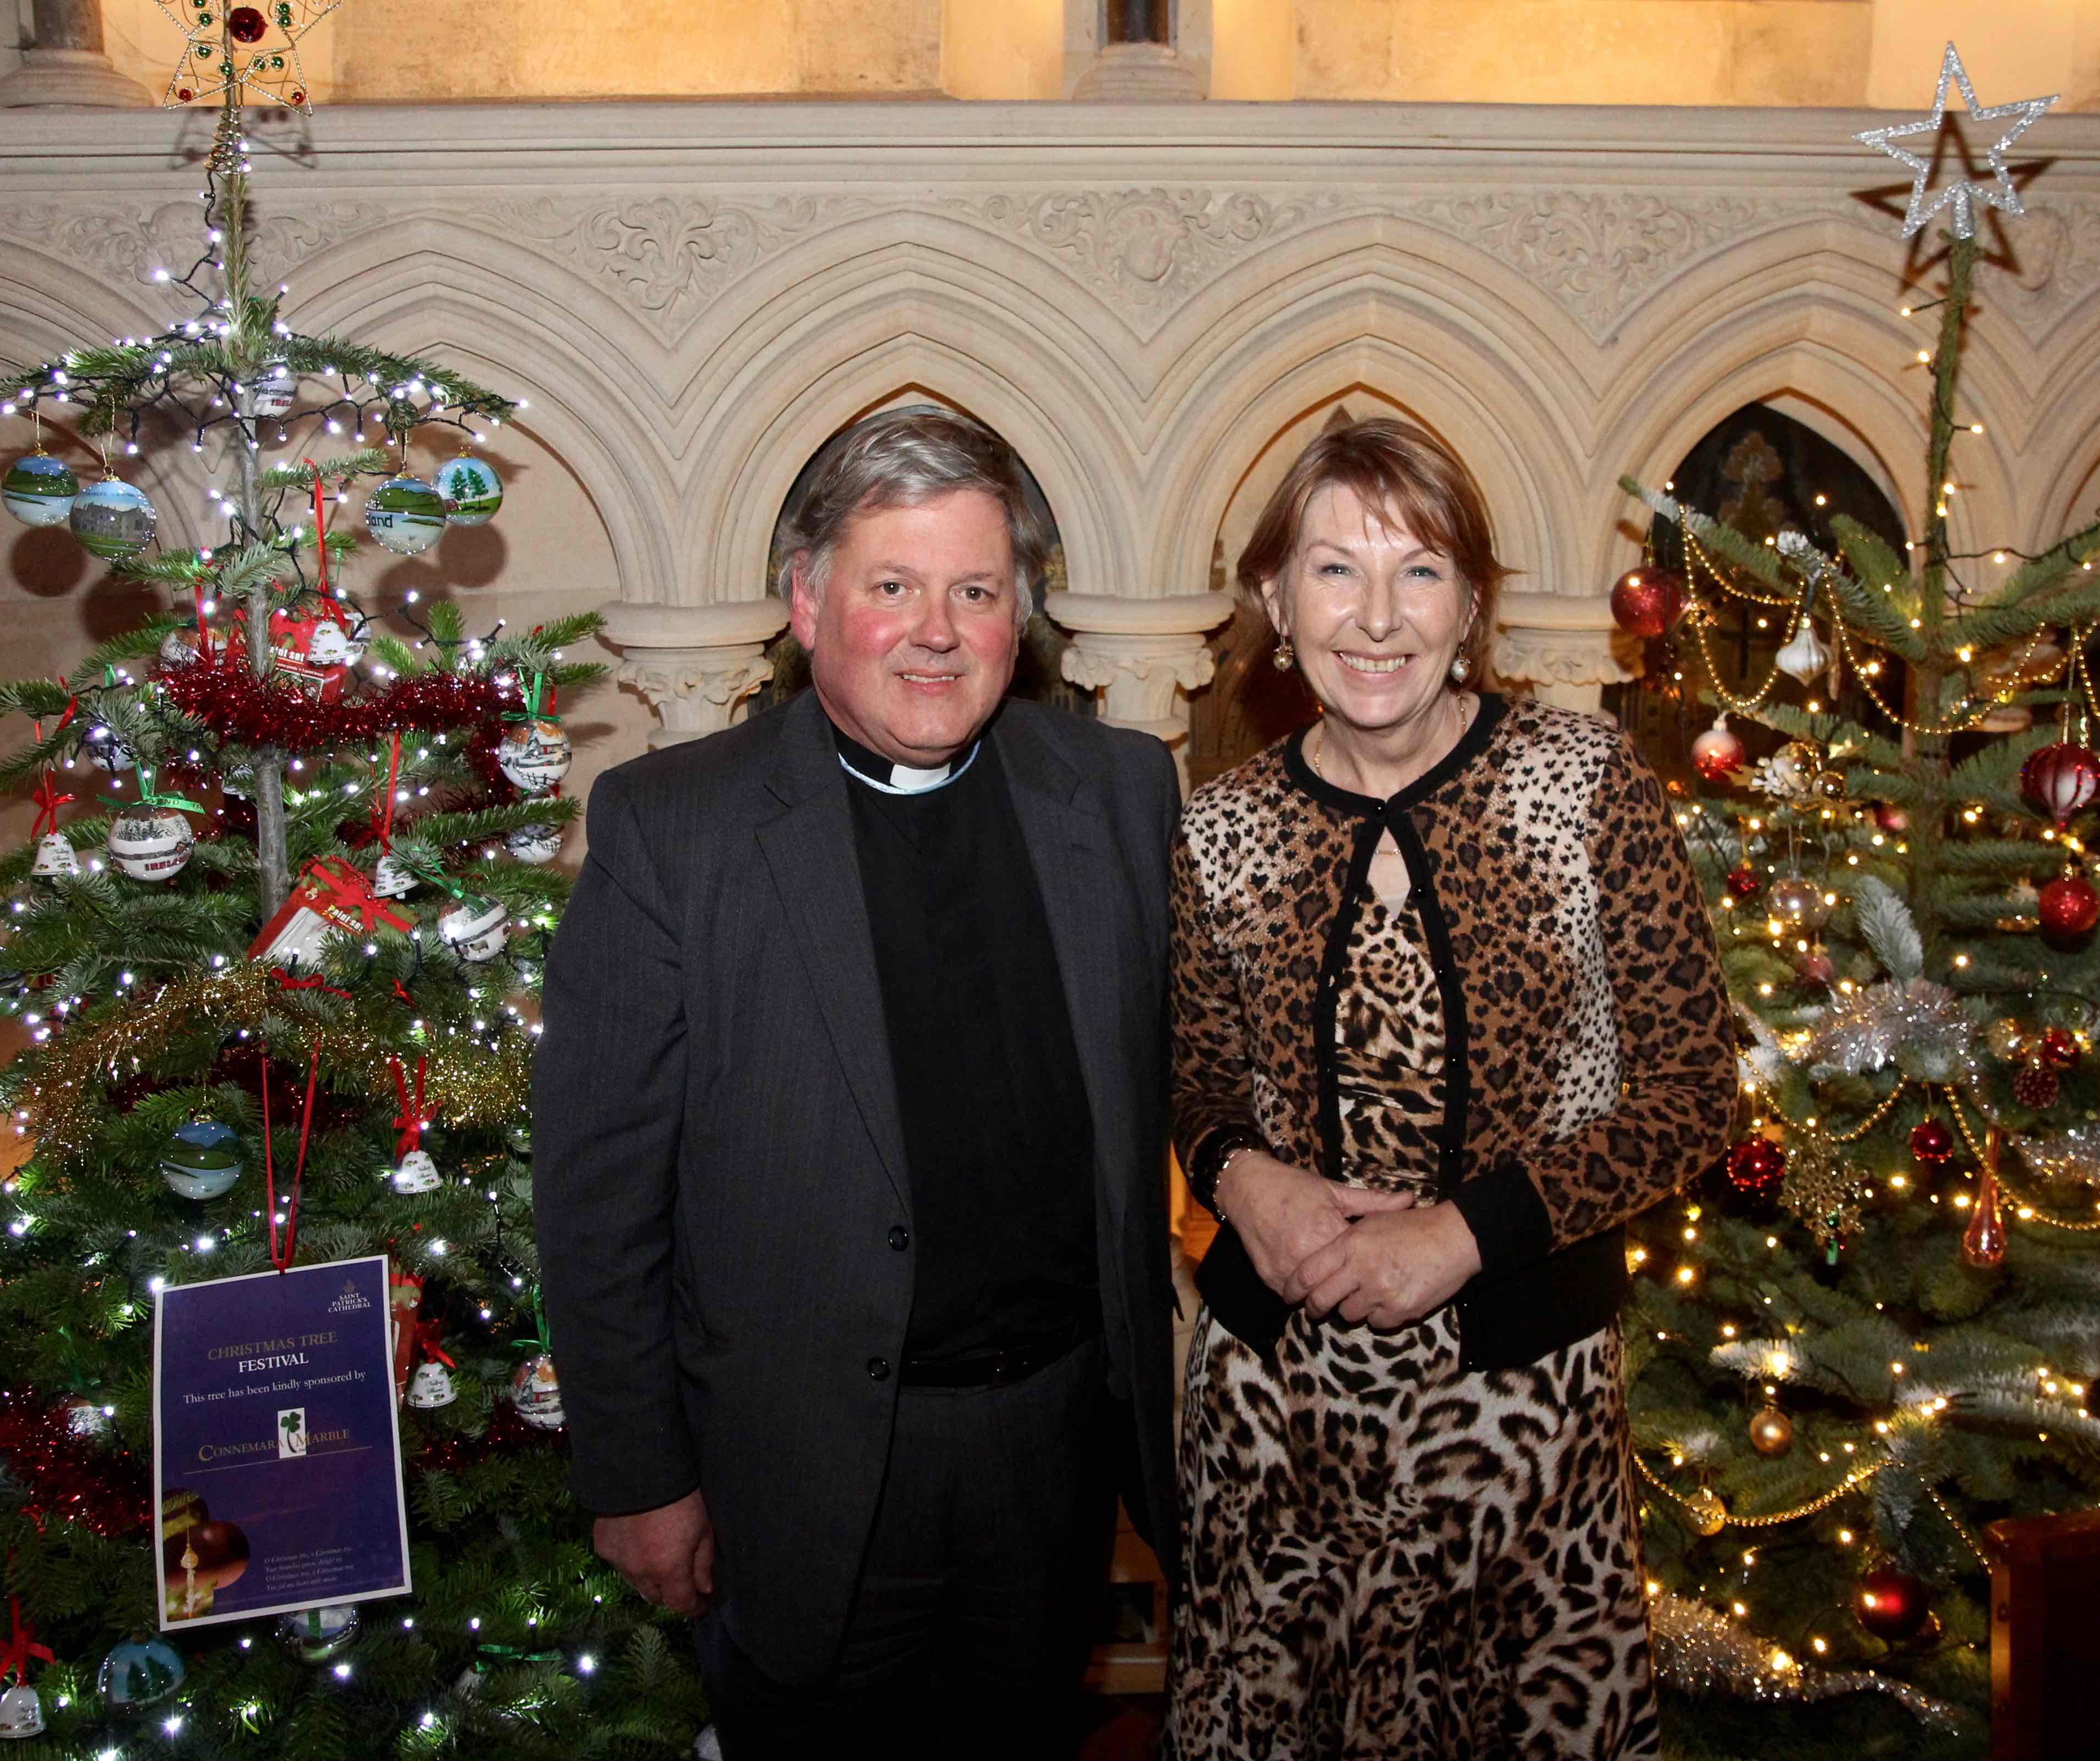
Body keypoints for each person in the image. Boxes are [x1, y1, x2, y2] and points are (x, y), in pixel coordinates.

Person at [533, 407, 1181, 1757]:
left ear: (1021, 616)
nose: (934, 629)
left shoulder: (1119, 791)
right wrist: (641, 1475)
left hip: (1054, 1446)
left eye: (974, 591)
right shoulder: (675, 826)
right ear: (806, 600)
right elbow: (597, 1192)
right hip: (809, 1465)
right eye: (891, 586)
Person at [1166, 418, 1734, 1759]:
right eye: (1332, 571)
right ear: (1273, 601)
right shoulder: (1218, 824)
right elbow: (1187, 1075)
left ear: (1470, 604)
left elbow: (1694, 1090)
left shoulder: (1584, 784)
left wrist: (1466, 1232)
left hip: (1515, 1416)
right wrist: (1245, 1182)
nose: (1374, 618)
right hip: (1270, 1420)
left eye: (1417, 572)